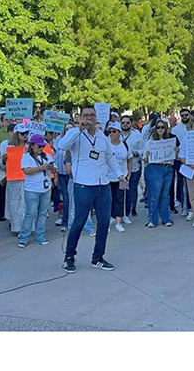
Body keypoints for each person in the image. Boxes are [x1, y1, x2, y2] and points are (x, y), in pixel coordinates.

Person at [58, 105, 127, 273]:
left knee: (104, 222)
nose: (89, 118)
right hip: (83, 184)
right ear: (80, 117)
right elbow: (62, 145)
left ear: (96, 118)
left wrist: (119, 174)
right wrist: (78, 129)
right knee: (79, 222)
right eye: (86, 115)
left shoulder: (103, 138)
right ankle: (69, 256)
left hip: (102, 184)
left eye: (92, 115)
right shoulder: (75, 134)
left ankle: (98, 257)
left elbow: (109, 157)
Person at [17, 134, 56, 247]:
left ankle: (40, 236)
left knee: (43, 213)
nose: (41, 149)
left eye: (42, 146)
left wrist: (51, 168)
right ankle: (24, 237)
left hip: (46, 188)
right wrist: (41, 168)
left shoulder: (47, 156)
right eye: (39, 146)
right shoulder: (26, 157)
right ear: (32, 146)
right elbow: (26, 171)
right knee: (30, 214)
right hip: (32, 189)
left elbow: (55, 170)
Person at [142, 119, 178, 228]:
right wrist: (147, 155)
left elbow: (174, 158)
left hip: (167, 168)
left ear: (166, 129)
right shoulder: (150, 143)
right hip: (154, 169)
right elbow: (145, 160)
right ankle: (152, 220)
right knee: (154, 195)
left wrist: (176, 152)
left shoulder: (171, 141)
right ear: (155, 129)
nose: (160, 129)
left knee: (165, 196)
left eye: (163, 127)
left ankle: (166, 219)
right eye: (158, 127)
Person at [104, 122, 132, 233]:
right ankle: (109, 220)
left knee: (120, 199)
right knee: (107, 200)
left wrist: (128, 174)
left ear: (119, 133)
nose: (112, 134)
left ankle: (118, 222)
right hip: (108, 177)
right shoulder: (106, 145)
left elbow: (129, 159)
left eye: (114, 131)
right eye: (110, 132)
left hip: (121, 177)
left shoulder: (124, 145)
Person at [3, 123, 29, 234]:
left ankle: (26, 227)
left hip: (27, 178)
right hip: (14, 179)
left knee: (26, 203)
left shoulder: (30, 147)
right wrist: (5, 159)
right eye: (22, 133)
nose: (25, 136)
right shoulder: (9, 147)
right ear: (17, 134)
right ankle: (16, 227)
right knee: (14, 203)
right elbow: (3, 164)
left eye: (26, 133)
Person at [119, 115, 142, 219]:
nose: (125, 124)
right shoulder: (116, 133)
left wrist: (137, 152)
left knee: (131, 190)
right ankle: (121, 212)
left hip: (134, 167)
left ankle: (130, 210)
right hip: (120, 169)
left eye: (127, 122)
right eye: (123, 122)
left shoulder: (137, 134)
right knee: (121, 191)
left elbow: (143, 148)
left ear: (131, 123)